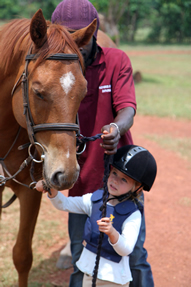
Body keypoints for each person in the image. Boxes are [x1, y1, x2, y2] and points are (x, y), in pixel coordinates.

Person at [51, 1, 154, 286]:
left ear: (94, 32)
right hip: (82, 180)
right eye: (69, 37)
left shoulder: (116, 60)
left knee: (134, 257)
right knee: (79, 257)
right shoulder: (58, 70)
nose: (77, 44)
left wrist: (116, 128)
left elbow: (128, 108)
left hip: (120, 177)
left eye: (82, 37)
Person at [36, 145, 157, 286]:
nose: (115, 180)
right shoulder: (94, 199)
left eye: (124, 180)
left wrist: (112, 233)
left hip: (114, 280)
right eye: (115, 173)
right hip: (88, 274)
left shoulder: (133, 214)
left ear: (138, 188)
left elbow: (126, 249)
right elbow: (65, 204)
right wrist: (51, 190)